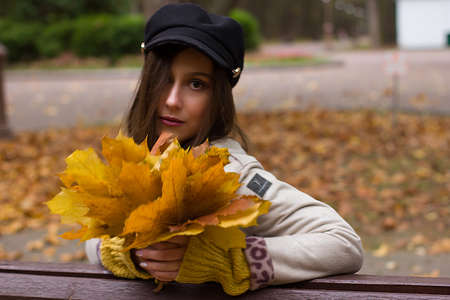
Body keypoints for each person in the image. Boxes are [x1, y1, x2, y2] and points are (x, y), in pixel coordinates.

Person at [85, 3, 363, 296]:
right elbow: (92, 240)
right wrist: (135, 254)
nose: (172, 100)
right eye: (164, 79)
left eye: (196, 84)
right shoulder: (136, 161)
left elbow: (343, 242)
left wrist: (222, 259)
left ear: (217, 98)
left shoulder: (234, 174)